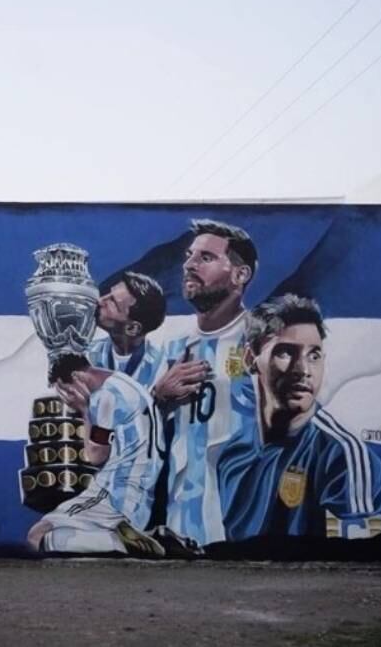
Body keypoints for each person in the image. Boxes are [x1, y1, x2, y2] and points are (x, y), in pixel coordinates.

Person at [218, 295, 381, 540]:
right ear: (249, 360)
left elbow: (359, 567)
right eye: (286, 352)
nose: (304, 370)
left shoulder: (341, 455)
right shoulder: (233, 454)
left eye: (314, 355)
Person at [152, 218, 258, 548]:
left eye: (205, 258)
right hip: (179, 527)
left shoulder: (264, 340)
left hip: (244, 533)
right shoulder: (173, 347)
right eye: (189, 255)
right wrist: (157, 397)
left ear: (240, 275)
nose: (189, 265)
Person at [26, 353, 165, 556]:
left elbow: (95, 456)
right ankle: (154, 537)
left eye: (65, 390)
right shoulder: (125, 383)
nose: (66, 399)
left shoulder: (105, 397)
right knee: (54, 529)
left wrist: (83, 410)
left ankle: (122, 543)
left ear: (77, 377)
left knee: (37, 536)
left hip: (117, 493)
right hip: (137, 491)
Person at [88, 271, 167, 389]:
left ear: (132, 328)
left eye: (112, 302)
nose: (100, 301)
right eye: (109, 294)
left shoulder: (159, 368)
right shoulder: (88, 355)